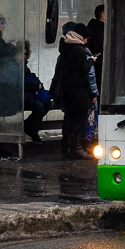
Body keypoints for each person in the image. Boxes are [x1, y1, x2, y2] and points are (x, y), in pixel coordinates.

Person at [51, 23, 98, 159]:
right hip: (78, 91)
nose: (87, 41)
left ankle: (66, 147)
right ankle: (77, 148)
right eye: (86, 38)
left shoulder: (65, 49)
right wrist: (91, 61)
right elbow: (83, 70)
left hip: (67, 91)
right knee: (80, 119)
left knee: (68, 120)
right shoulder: (79, 50)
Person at [23, 47, 53, 142]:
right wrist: (36, 85)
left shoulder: (24, 66)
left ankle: (29, 126)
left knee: (48, 104)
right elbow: (20, 83)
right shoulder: (15, 65)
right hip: (22, 95)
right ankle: (31, 129)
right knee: (39, 106)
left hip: (29, 94)